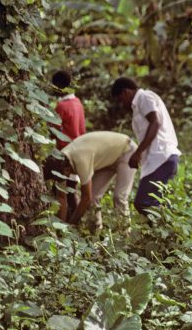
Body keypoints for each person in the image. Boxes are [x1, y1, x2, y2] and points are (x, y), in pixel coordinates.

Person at [111, 77, 181, 218]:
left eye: (120, 99)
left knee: (144, 202)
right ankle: (169, 233)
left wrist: (138, 153)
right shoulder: (138, 105)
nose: (121, 103)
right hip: (157, 159)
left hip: (162, 157)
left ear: (126, 92)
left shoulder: (143, 97)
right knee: (154, 201)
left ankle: (171, 231)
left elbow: (155, 122)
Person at [42, 131, 137, 230]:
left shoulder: (81, 160)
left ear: (66, 170)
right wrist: (60, 227)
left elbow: (86, 198)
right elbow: (61, 197)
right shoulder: (59, 162)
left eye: (63, 176)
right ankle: (97, 232)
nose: (64, 178)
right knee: (94, 196)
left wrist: (70, 225)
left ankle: (125, 233)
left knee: (119, 196)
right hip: (108, 158)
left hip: (127, 151)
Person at [50, 70, 86, 215]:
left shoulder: (61, 106)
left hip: (65, 154)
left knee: (61, 194)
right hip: (80, 152)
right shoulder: (77, 103)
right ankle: (75, 226)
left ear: (58, 86)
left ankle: (62, 228)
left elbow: (53, 130)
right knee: (72, 192)